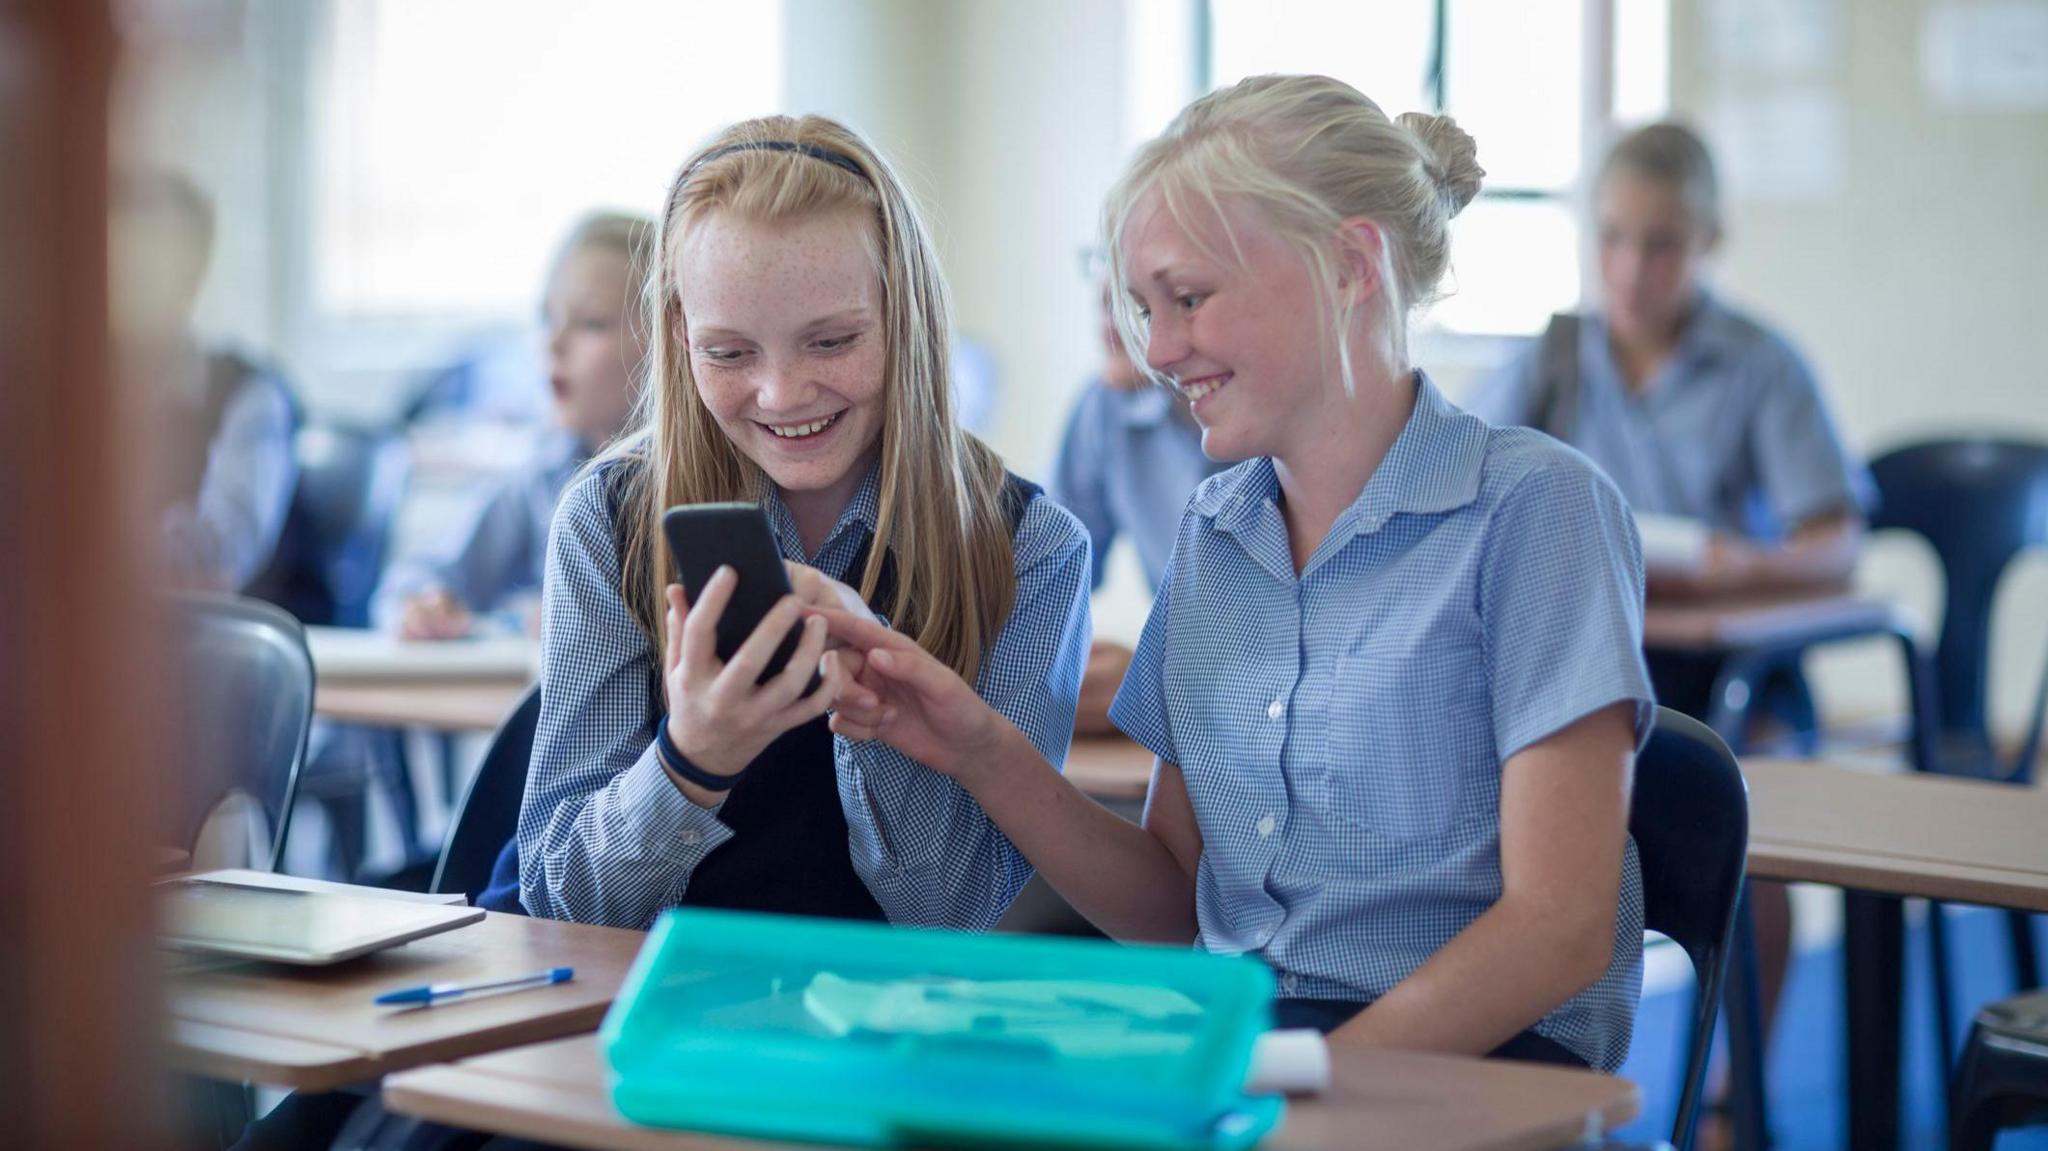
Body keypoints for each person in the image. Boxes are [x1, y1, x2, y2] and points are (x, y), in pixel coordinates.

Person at [819, 75, 1654, 1072]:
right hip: (1257, 1050)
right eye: (1141, 308)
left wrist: (1293, 1082)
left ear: (1348, 264)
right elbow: (1175, 898)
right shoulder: (1214, 532)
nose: (1161, 349)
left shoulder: (1534, 509)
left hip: (1473, 1070)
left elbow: (1555, 930)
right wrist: (979, 748)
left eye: (1189, 298)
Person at [517, 115, 1092, 931]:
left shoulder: (1028, 547)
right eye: (728, 353)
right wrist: (691, 762)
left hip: (893, 1026)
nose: (783, 394)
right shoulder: (609, 519)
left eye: (830, 341)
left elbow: (962, 914)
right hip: (657, 1014)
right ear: (680, 338)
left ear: (907, 319)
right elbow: (561, 897)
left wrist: (878, 709)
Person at [1466, 120, 1873, 1082]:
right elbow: (1466, 479)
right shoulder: (1557, 355)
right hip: (1582, 654)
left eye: (1660, 244)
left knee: (1748, 836)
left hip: (1729, 666)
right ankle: (1512, 1062)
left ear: (1707, 245)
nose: (1630, 268)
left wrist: (1740, 568)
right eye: (1610, 237)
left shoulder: (1761, 364)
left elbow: (1836, 537)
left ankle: (1741, 1083)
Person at [371, 212, 655, 639]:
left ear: (669, 342)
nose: (553, 344)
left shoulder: (701, 475)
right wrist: (422, 602)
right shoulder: (544, 470)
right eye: (547, 318)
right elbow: (419, 577)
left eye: (590, 323)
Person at [110, 168, 297, 593]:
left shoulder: (248, 396)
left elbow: (222, 553)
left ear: (191, 275)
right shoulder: (63, 403)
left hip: (206, 651)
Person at [1049, 279, 1223, 734]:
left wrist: (1153, 686)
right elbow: (1033, 583)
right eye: (1104, 260)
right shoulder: (1105, 406)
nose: (1108, 293)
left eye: (1181, 285)